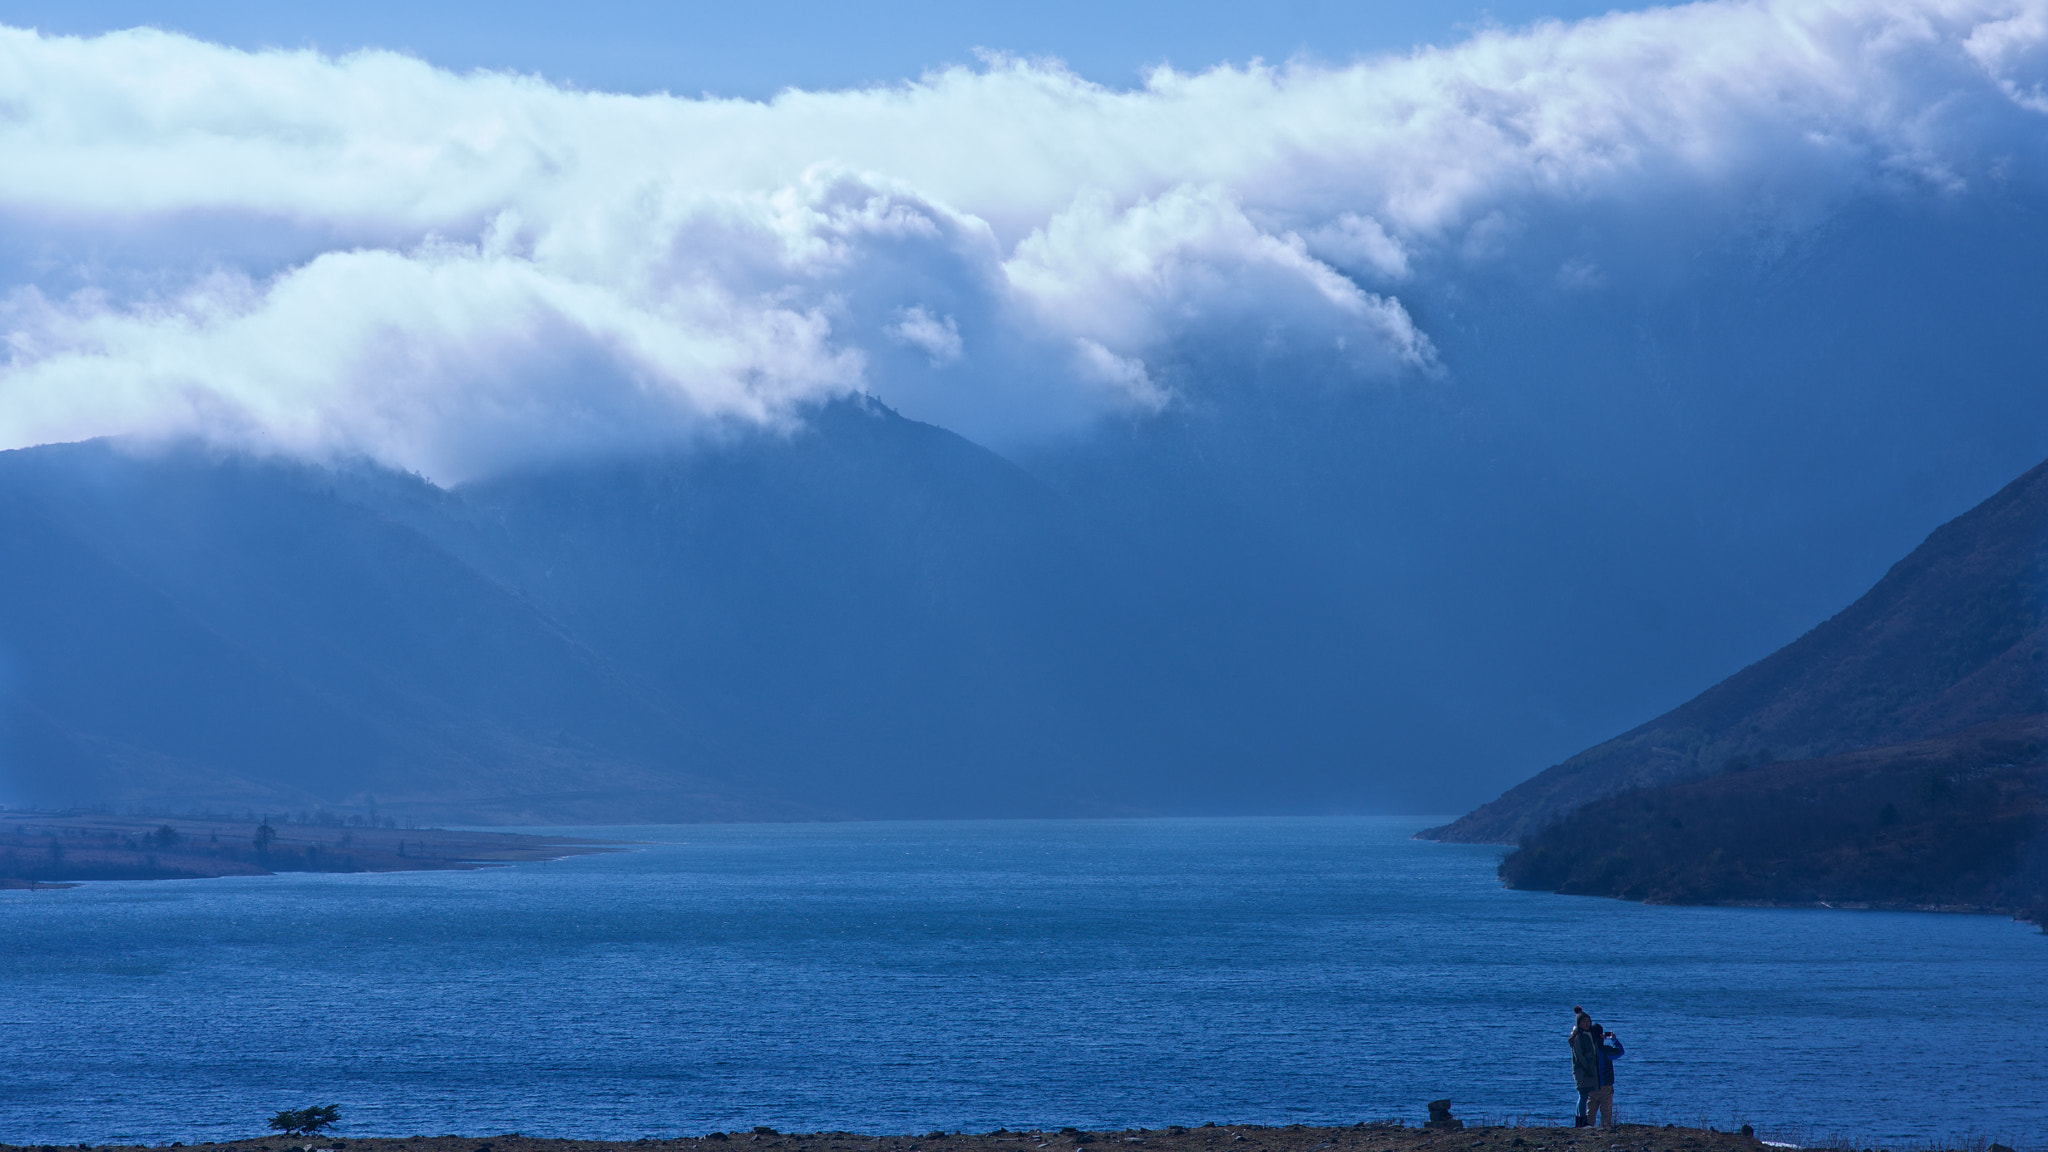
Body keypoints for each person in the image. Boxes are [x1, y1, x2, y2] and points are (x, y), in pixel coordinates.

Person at [1587, 1023, 1625, 1127]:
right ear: (1601, 1035)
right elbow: (1620, 1052)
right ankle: (1604, 1131)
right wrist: (1614, 1039)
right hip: (1605, 1086)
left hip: (1591, 1085)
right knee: (1606, 1114)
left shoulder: (1587, 1049)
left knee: (1590, 1113)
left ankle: (1587, 1130)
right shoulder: (1605, 1050)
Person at [1568, 1008, 1599, 1126]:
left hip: (1589, 1069)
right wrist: (1587, 1067)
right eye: (1584, 1021)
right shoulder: (1578, 1037)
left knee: (1584, 1095)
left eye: (1588, 1021)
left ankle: (1580, 1120)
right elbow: (1579, 1056)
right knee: (1583, 1094)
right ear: (1579, 1023)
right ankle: (1581, 1120)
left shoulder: (1589, 1034)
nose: (1587, 1024)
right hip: (1582, 1070)